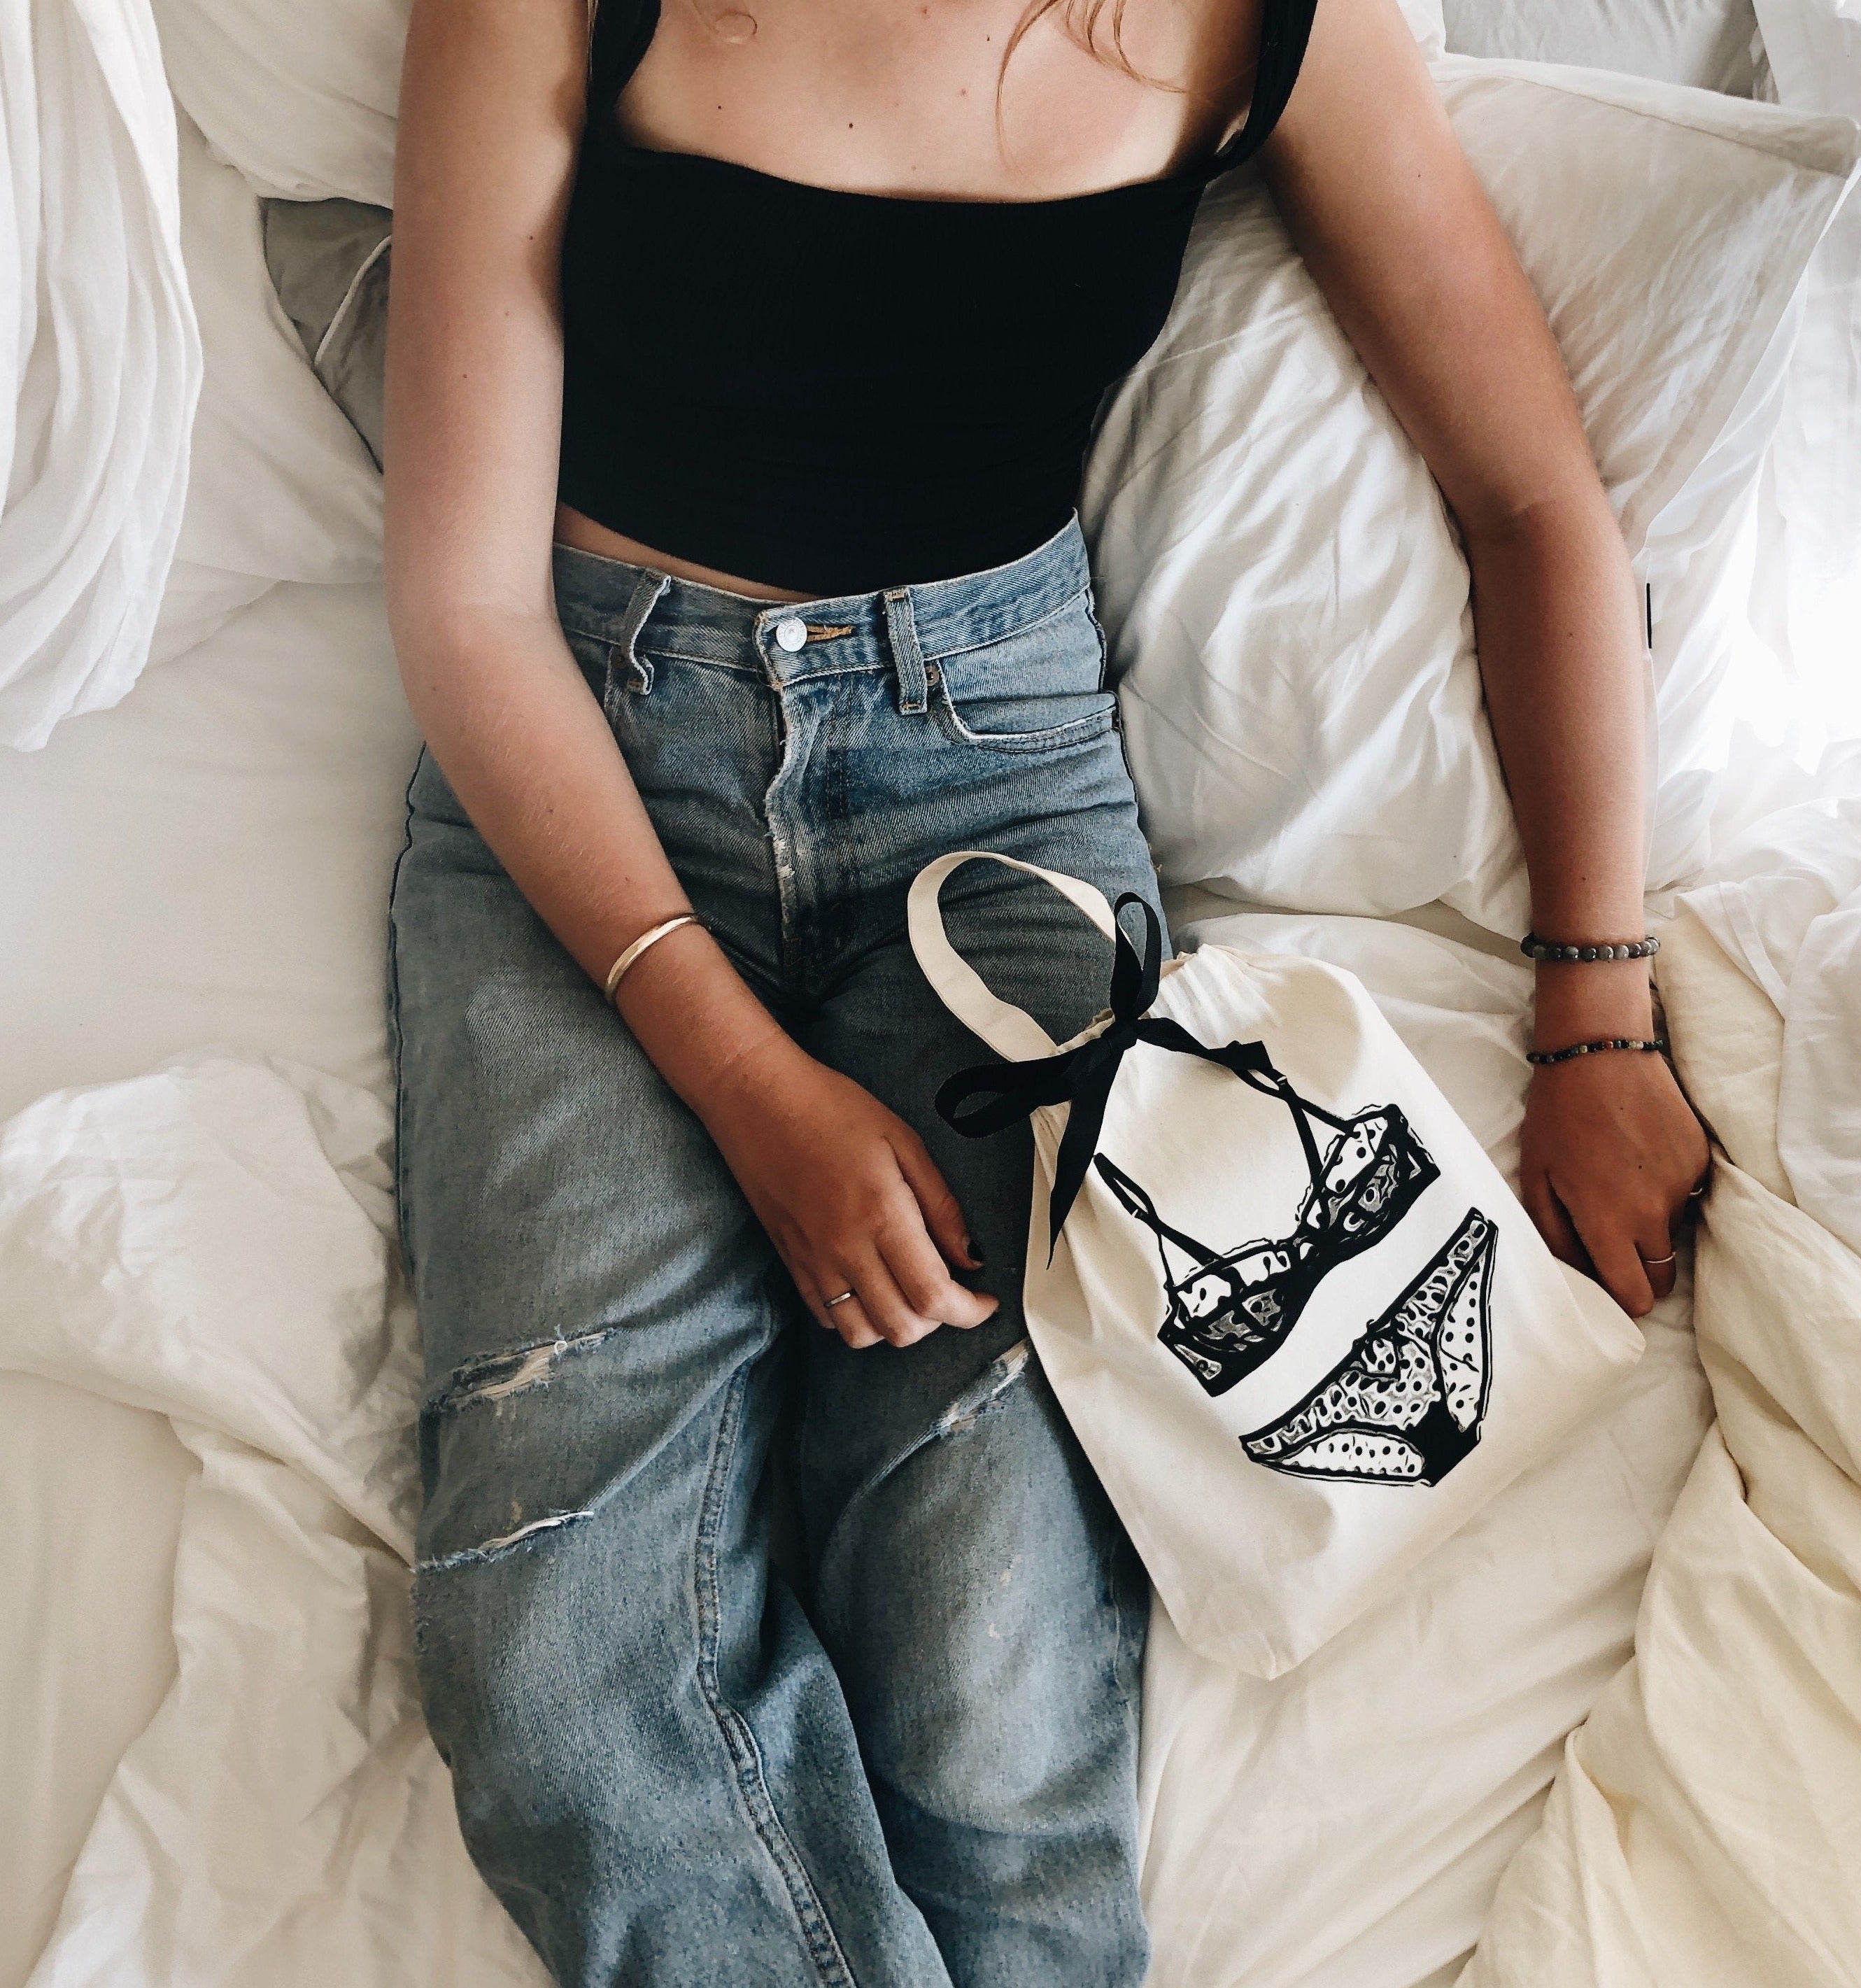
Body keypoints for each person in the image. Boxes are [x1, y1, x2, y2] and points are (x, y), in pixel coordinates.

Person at [380, 0, 1712, 1980]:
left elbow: (1532, 502)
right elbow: (464, 609)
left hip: (986, 786)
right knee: (566, 1675)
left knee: (990, 1690)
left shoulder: (1268, 20)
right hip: (581, 760)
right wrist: (744, 1084)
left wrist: (1591, 1014)